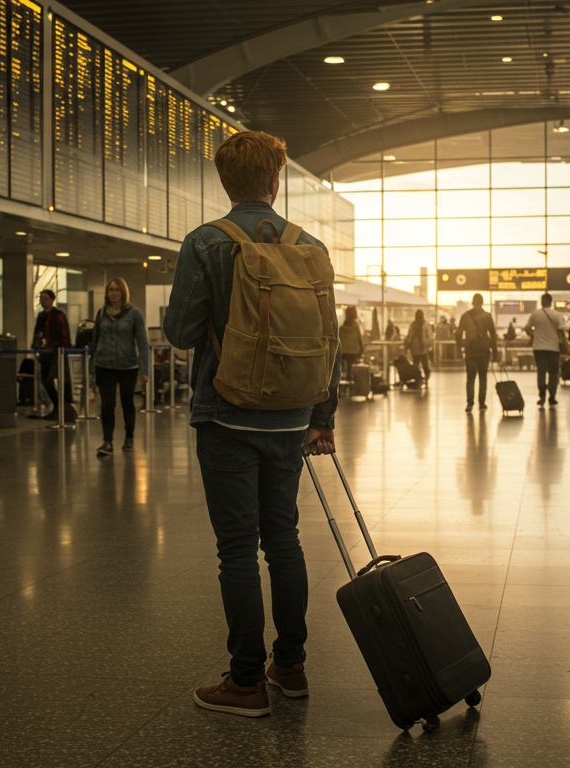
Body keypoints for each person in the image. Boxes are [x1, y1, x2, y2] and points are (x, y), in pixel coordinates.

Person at [164, 130, 341, 718]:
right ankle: (289, 666)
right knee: (283, 540)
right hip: (290, 419)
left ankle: (245, 682)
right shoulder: (310, 245)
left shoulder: (206, 242)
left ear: (225, 182)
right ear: (275, 181)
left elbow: (180, 332)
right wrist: (321, 417)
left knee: (237, 549)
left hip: (227, 416)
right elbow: (330, 341)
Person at [91, 276, 150, 456]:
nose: (113, 293)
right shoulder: (101, 313)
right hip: (104, 365)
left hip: (127, 366)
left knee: (127, 402)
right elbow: (95, 341)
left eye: (117, 290)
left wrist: (144, 370)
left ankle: (129, 437)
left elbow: (143, 343)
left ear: (123, 293)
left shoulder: (134, 314)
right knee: (107, 404)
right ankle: (107, 441)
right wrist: (91, 368)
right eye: (111, 290)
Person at [32, 288, 73, 420]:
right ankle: (58, 404)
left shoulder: (58, 315)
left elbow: (64, 333)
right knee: (45, 379)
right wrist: (36, 345)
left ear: (52, 300)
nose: (43, 301)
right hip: (45, 353)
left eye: (46, 298)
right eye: (41, 298)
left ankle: (63, 405)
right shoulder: (41, 316)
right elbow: (37, 333)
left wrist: (64, 347)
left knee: (51, 378)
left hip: (57, 352)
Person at [524, 292, 569, 408]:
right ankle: (552, 397)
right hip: (553, 349)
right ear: (550, 302)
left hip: (539, 348)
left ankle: (542, 397)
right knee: (553, 373)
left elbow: (527, 328)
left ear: (541, 302)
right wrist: (565, 346)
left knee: (541, 372)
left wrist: (534, 336)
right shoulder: (557, 315)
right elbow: (561, 333)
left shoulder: (535, 314)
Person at [457, 293, 498, 413]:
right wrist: (495, 352)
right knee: (483, 377)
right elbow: (493, 335)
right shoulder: (487, 316)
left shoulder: (465, 316)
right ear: (482, 303)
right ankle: (482, 404)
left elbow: (458, 334)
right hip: (484, 351)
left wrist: (460, 348)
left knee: (470, 378)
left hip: (470, 351)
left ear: (472, 302)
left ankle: (470, 403)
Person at [404, 309, 432, 384]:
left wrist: (408, 344)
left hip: (418, 348)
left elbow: (409, 336)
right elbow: (429, 337)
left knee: (419, 365)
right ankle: (421, 378)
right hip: (419, 348)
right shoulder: (424, 325)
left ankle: (419, 378)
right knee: (421, 365)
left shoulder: (414, 325)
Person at [340, 305, 364, 371]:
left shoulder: (342, 328)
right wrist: (361, 350)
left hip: (344, 351)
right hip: (354, 351)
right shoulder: (356, 327)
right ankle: (350, 376)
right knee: (352, 369)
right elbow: (359, 339)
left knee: (344, 369)